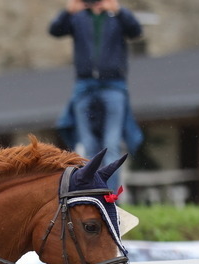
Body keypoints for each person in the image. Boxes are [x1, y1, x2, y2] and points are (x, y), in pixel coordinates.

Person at [50, 0, 143, 187]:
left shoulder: (116, 17)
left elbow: (136, 31)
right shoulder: (78, 18)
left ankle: (109, 194)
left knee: (112, 143)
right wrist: (68, 11)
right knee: (88, 145)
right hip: (84, 84)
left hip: (113, 84)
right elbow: (55, 30)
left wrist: (118, 10)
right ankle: (93, 192)